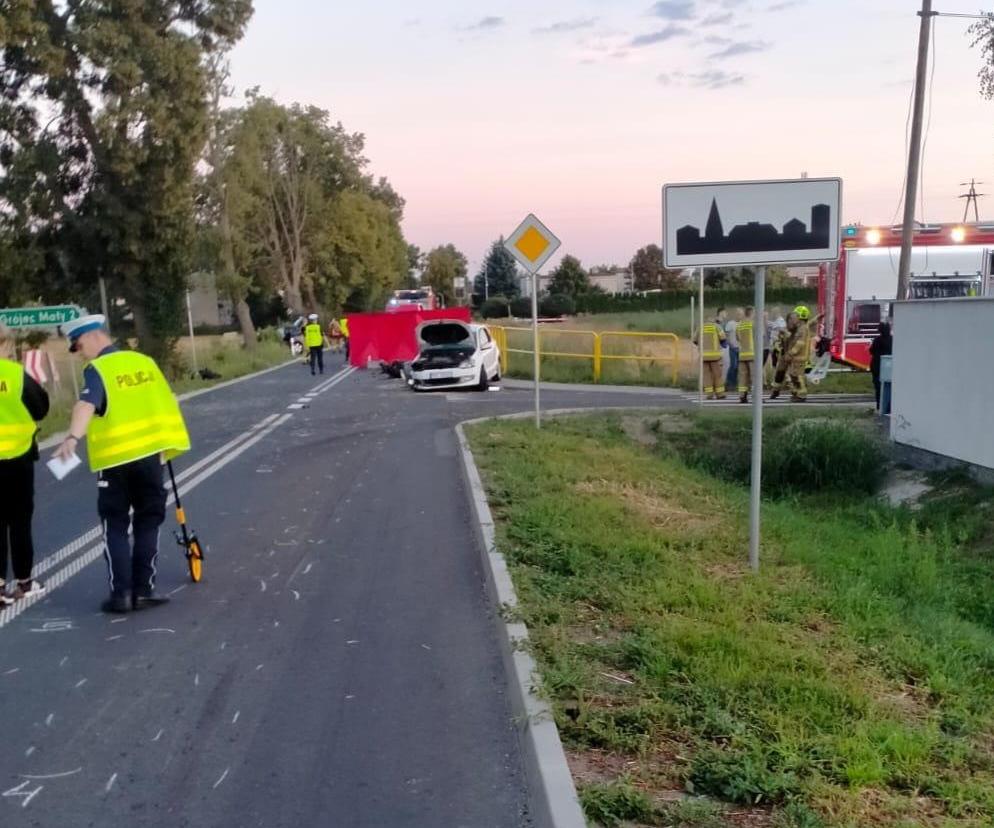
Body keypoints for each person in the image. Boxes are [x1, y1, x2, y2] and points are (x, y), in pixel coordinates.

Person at [54, 315, 190, 613]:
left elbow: (86, 404)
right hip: (150, 457)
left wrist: (72, 438)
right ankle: (143, 590)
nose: (80, 354)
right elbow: (168, 400)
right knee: (148, 520)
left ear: (91, 336)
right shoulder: (144, 362)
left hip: (115, 461)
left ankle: (121, 595)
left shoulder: (99, 369)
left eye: (78, 346)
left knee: (114, 525)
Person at [0, 324, 49, 606]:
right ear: (6, 344)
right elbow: (41, 408)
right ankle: (24, 583)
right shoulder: (17, 375)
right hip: (18, 459)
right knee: (19, 521)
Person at [770, 305, 823, 402]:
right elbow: (810, 323)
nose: (793, 319)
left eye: (795, 317)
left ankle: (801, 395)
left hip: (798, 357)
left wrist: (790, 353)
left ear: (799, 317)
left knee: (796, 375)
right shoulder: (799, 327)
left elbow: (799, 343)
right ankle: (785, 391)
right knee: (787, 373)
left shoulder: (801, 329)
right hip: (791, 356)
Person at [693, 309, 727, 400]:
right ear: (712, 319)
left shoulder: (700, 327)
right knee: (717, 375)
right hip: (715, 356)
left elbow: (694, 340)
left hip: (704, 356)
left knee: (707, 376)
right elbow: (723, 338)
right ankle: (720, 394)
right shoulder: (717, 327)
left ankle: (709, 394)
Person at [869, 321, 893, 412]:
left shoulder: (877, 340)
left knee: (878, 387)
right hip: (889, 366)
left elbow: (871, 351)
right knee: (889, 387)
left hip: (877, 366)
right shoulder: (893, 339)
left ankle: (879, 405)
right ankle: (888, 406)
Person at [737, 306, 757, 404]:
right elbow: (758, 338)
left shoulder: (740, 325)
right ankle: (755, 396)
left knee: (743, 377)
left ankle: (742, 396)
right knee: (754, 377)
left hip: (742, 354)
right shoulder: (753, 324)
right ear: (751, 313)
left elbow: (738, 338)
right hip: (752, 354)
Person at [725, 307, 741, 391]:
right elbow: (727, 335)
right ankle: (729, 382)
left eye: (741, 314)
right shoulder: (730, 323)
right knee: (733, 365)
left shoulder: (742, 324)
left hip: (741, 348)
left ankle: (735, 383)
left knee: (739, 367)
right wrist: (730, 344)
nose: (739, 316)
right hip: (733, 348)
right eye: (738, 314)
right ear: (735, 314)